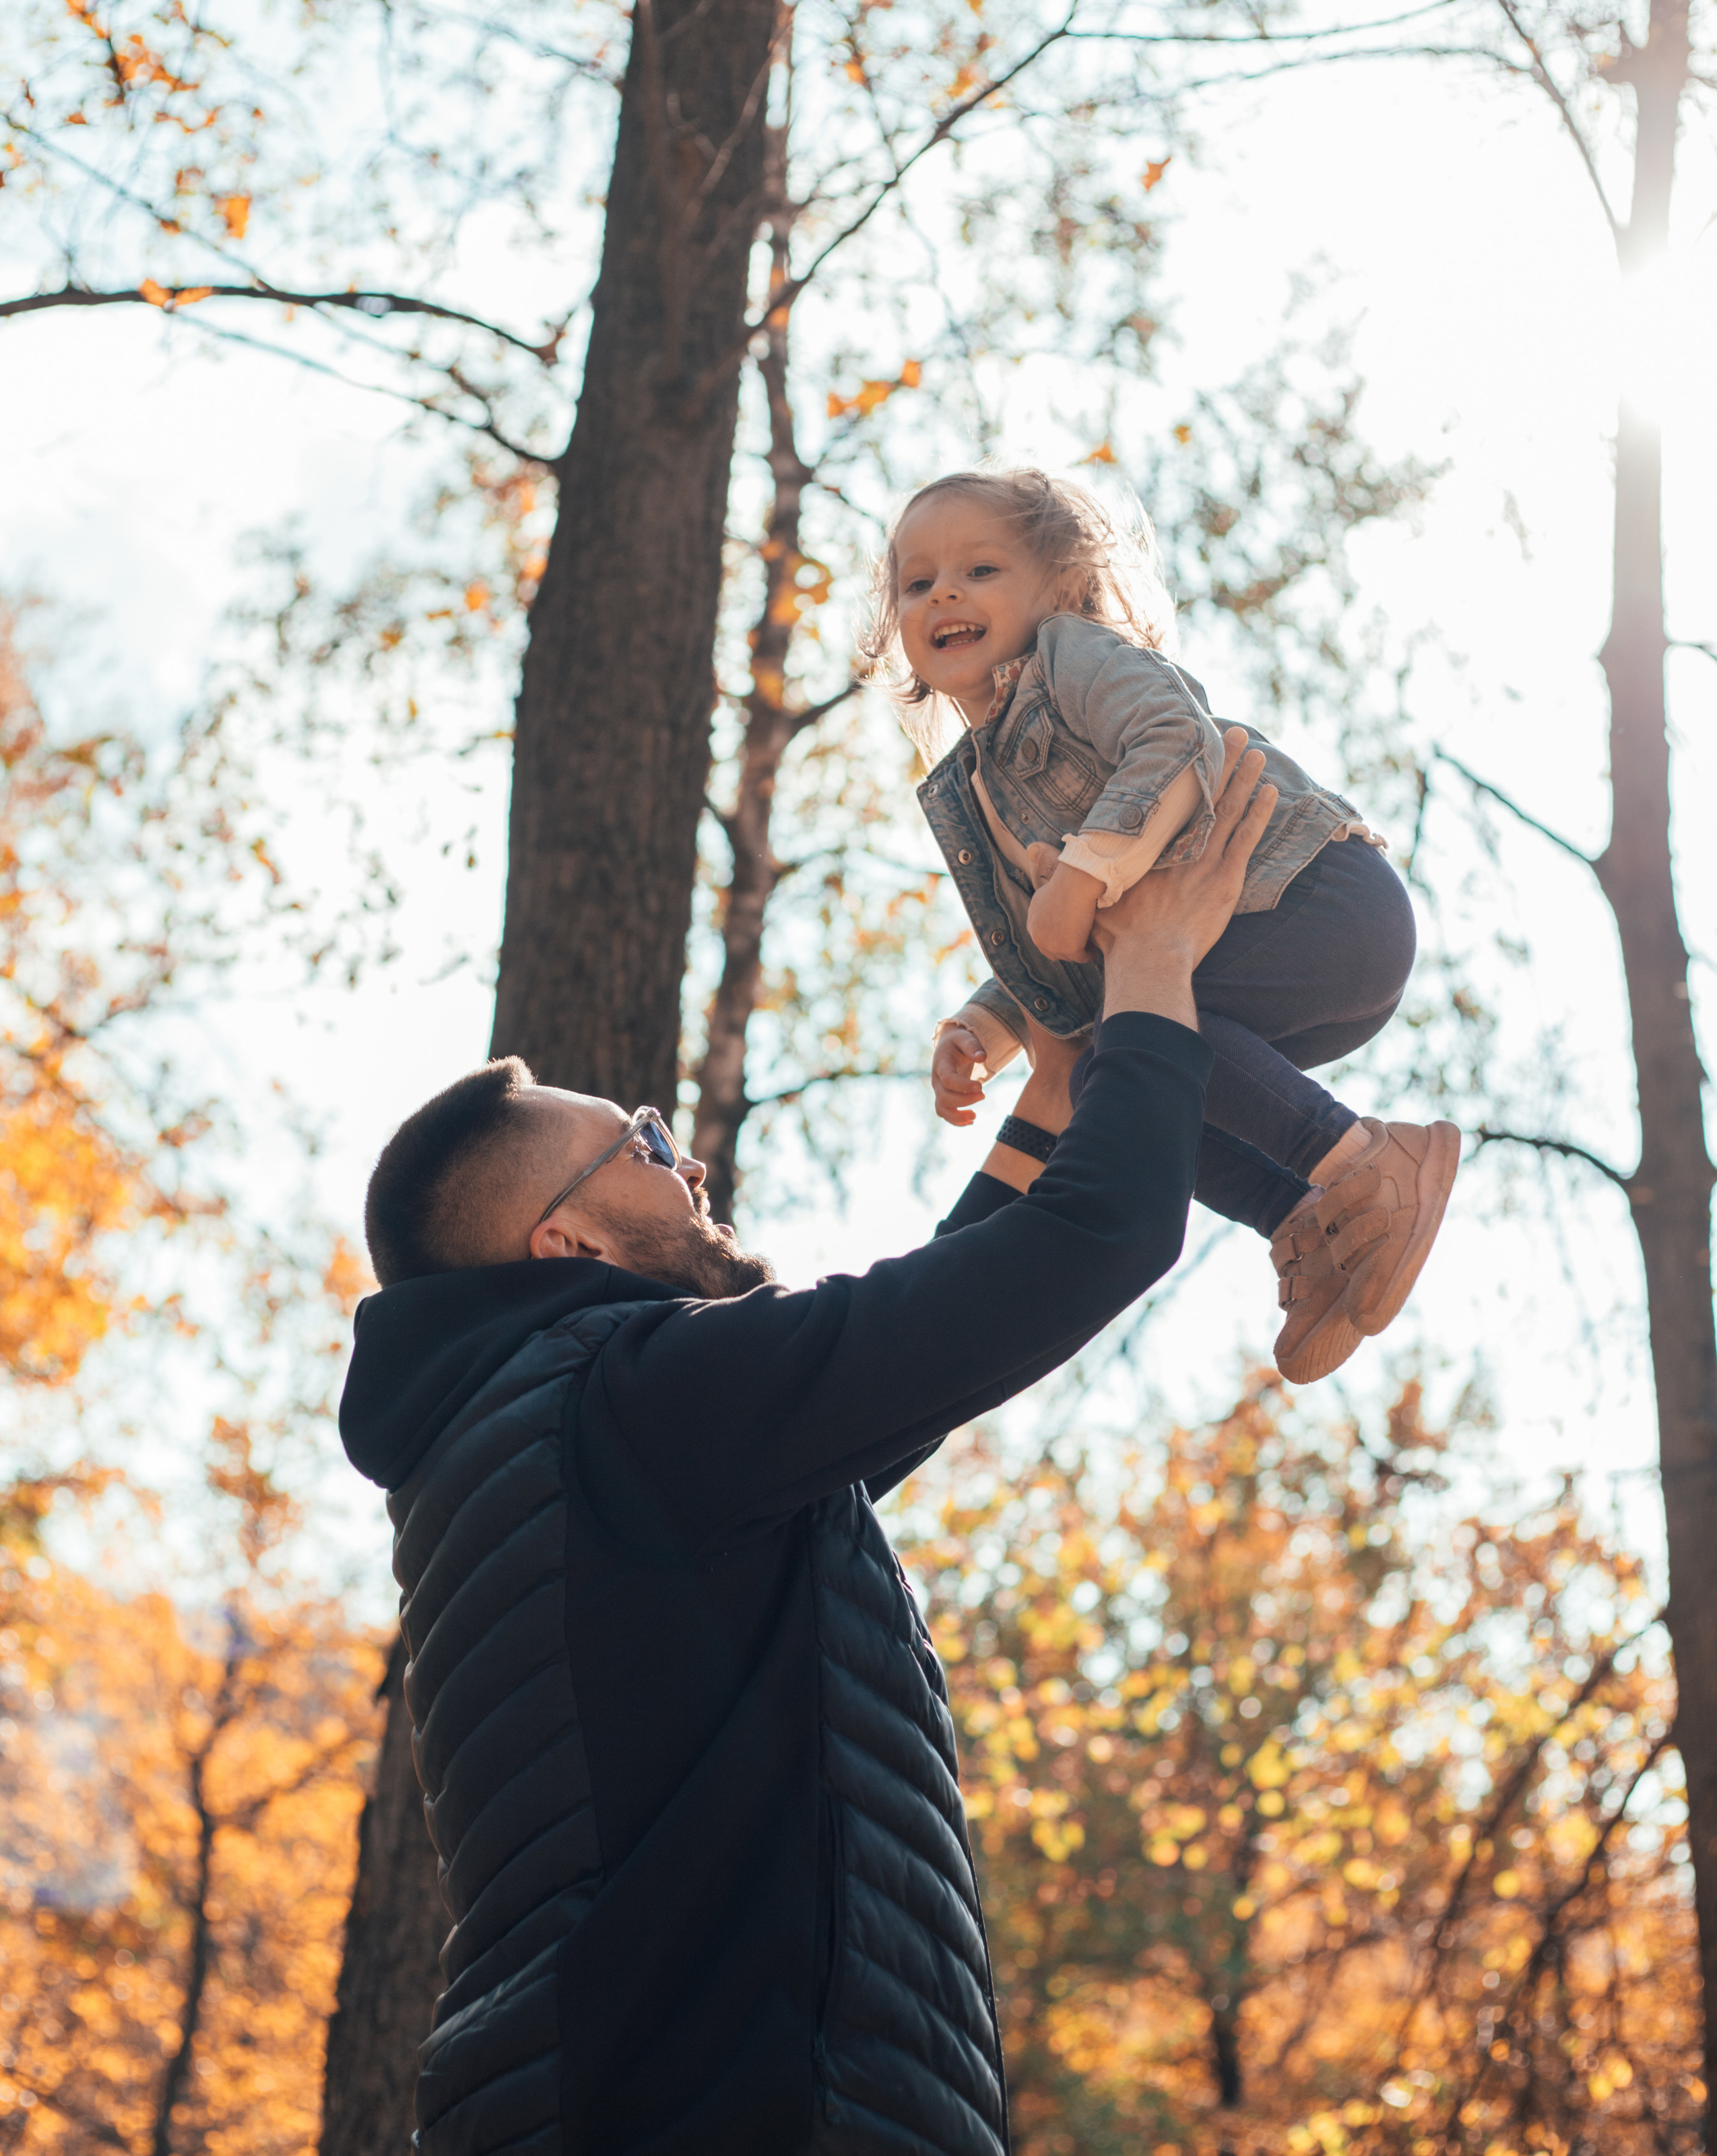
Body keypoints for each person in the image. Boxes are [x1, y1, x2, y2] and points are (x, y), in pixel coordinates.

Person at [337, 736, 1275, 2156]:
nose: (685, 1155)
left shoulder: (551, 1435)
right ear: (565, 1239)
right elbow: (1091, 1245)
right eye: (642, 1142)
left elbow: (905, 1364)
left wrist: (1056, 1087)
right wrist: (1149, 978)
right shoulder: (631, 1396)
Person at [863, 464, 1459, 1383]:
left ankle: (1371, 1161)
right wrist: (984, 1027)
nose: (942, 591)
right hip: (1245, 970)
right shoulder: (973, 787)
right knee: (1130, 1088)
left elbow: (1174, 740)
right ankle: (1314, 1221)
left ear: (1058, 589)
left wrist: (1092, 867)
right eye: (916, 582)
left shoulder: (1072, 657)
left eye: (980, 570)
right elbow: (1051, 955)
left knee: (1127, 1041)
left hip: (1314, 902)